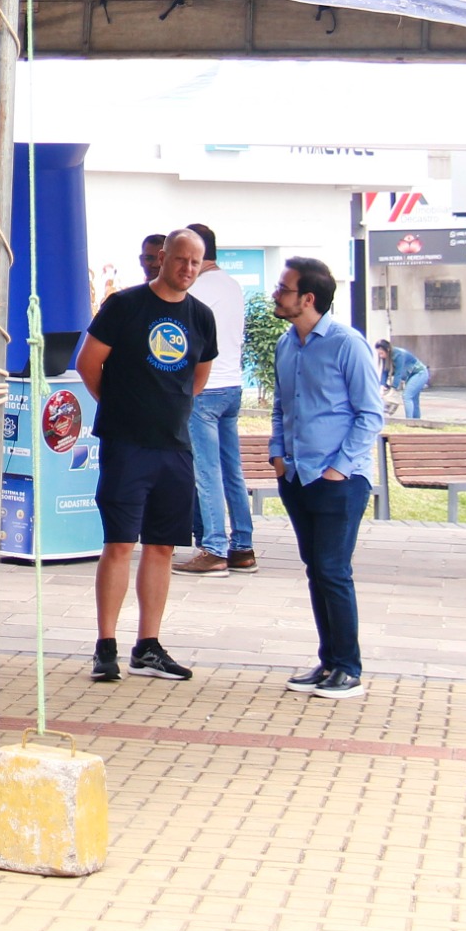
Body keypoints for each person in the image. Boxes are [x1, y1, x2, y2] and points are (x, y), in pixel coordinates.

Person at [76, 225, 217, 683]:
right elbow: (88, 363)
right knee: (119, 543)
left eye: (196, 262)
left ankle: (149, 645)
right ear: (163, 258)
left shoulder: (201, 317)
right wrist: (119, 407)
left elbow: (198, 377)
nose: (188, 269)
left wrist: (168, 412)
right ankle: (106, 645)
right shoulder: (125, 306)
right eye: (180, 259)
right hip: (126, 444)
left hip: (174, 447)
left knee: (161, 545)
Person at [270, 256, 386, 700]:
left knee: (333, 570)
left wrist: (340, 467)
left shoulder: (346, 344)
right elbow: (282, 405)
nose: (277, 295)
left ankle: (348, 668)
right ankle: (328, 661)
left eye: (284, 288)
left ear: (308, 299)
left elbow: (370, 414)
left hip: (340, 479)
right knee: (316, 570)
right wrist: (278, 455)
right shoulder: (287, 344)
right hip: (297, 476)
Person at [174, 223, 255, 578]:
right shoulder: (233, 285)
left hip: (204, 390)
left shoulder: (198, 289)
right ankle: (242, 547)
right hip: (232, 389)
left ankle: (214, 549)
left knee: (206, 473)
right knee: (231, 470)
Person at [379, 339, 430, 421]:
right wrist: (381, 387)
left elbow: (398, 373)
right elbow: (385, 371)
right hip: (411, 375)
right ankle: (416, 422)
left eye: (381, 353)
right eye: (379, 354)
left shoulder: (399, 354)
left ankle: (409, 422)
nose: (380, 356)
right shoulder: (386, 357)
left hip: (420, 373)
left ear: (387, 350)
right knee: (414, 399)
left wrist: (393, 389)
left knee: (407, 396)